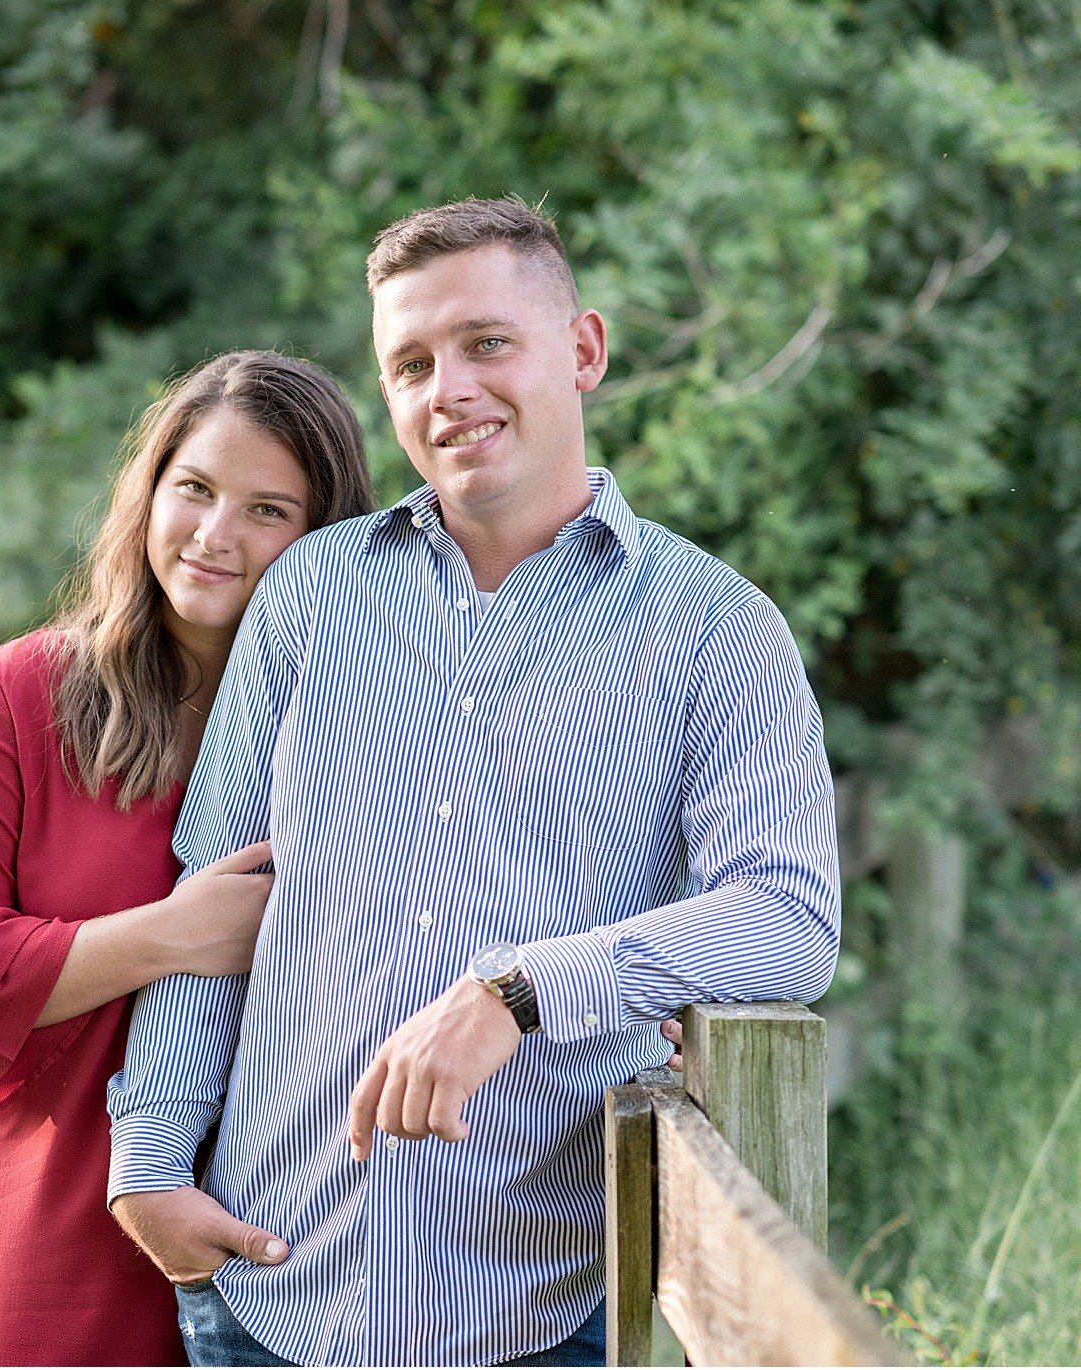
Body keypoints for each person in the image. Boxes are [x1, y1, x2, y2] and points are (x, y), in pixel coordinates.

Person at [106, 197, 840, 1367]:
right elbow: (216, 896)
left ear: (583, 349)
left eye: (485, 342)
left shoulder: (717, 630)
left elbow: (789, 921)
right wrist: (147, 1155)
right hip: (264, 1291)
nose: (447, 388)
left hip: (538, 1310)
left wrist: (515, 988)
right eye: (409, 361)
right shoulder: (308, 595)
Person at [0, 350, 378, 1366]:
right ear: (147, 489)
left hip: (277, 1246)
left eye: (267, 510)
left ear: (323, 541)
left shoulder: (353, 728)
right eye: (192, 488)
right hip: (36, 1224)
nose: (214, 535)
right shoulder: (22, 694)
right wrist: (172, 935)